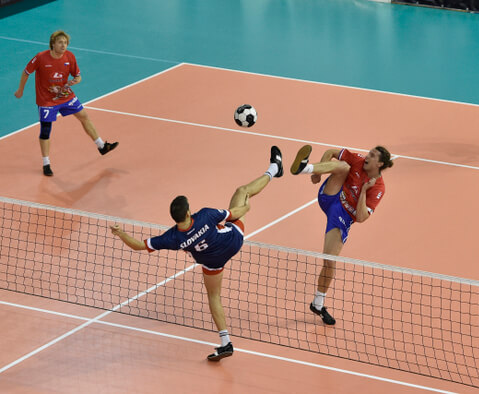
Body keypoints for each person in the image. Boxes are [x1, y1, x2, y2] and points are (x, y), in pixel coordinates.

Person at [110, 146, 284, 361]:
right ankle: (273, 170)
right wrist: (246, 208)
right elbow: (236, 212)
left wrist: (119, 233)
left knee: (214, 296)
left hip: (212, 262)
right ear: (188, 212)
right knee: (241, 191)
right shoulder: (205, 215)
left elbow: (138, 245)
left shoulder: (172, 238)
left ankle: (225, 342)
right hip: (232, 241)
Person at [290, 144, 393, 325]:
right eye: (370, 153)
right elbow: (331, 152)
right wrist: (317, 173)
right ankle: (305, 168)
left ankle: (318, 304)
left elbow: (361, 217)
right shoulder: (359, 160)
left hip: (344, 217)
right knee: (344, 166)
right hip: (332, 196)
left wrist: (363, 190)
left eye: (373, 155)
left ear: (380, 164)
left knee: (329, 262)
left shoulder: (378, 188)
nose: (368, 156)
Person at [14, 30, 118, 176]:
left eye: (65, 42)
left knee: (84, 116)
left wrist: (76, 81)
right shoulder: (40, 57)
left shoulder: (70, 56)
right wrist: (20, 90)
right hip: (46, 100)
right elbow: (26, 72)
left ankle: (101, 146)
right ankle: (46, 163)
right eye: (60, 42)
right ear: (53, 44)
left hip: (65, 95)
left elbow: (78, 76)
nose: (64, 45)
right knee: (45, 130)